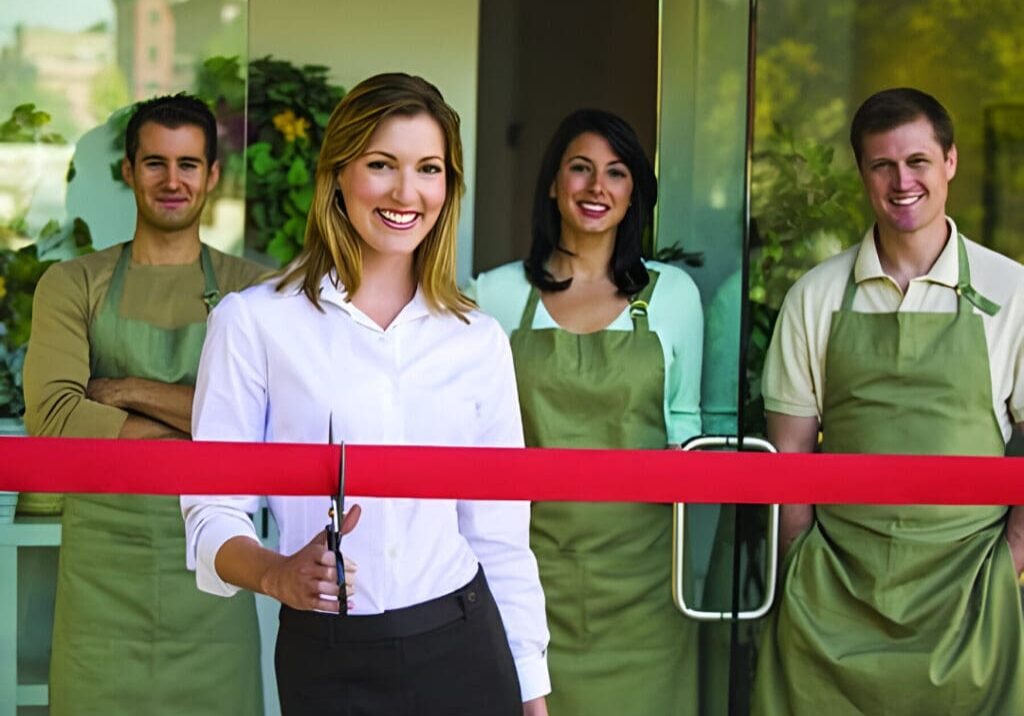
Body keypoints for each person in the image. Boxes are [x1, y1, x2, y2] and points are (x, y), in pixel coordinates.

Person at [181, 73, 550, 716]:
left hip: (465, 645)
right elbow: (211, 510)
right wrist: (276, 573)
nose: (407, 192)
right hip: (328, 655)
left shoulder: (477, 339)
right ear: (339, 175)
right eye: (382, 164)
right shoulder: (253, 323)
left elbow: (499, 536)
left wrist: (532, 693)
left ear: (448, 187)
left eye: (428, 168)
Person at [752, 88, 1024, 714]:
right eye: (883, 165)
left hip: (970, 605)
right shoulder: (815, 297)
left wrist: (1006, 567)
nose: (903, 181)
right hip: (834, 605)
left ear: (950, 162)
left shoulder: (1010, 291)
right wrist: (803, 573)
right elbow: (788, 459)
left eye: (918, 162)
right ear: (863, 174)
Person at [22, 94, 265, 715]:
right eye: (154, 163)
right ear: (128, 171)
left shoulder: (254, 290)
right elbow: (52, 422)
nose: (172, 180)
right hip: (102, 574)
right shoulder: (73, 283)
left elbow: (265, 428)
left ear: (212, 175)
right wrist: (204, 433)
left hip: (216, 566)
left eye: (189, 164)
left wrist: (127, 389)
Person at [471, 109, 703, 715]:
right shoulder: (493, 296)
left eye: (617, 173)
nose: (597, 187)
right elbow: (467, 445)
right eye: (580, 168)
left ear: (635, 194)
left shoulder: (674, 295)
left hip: (648, 591)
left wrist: (695, 579)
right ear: (553, 183)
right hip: (524, 579)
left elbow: (691, 442)